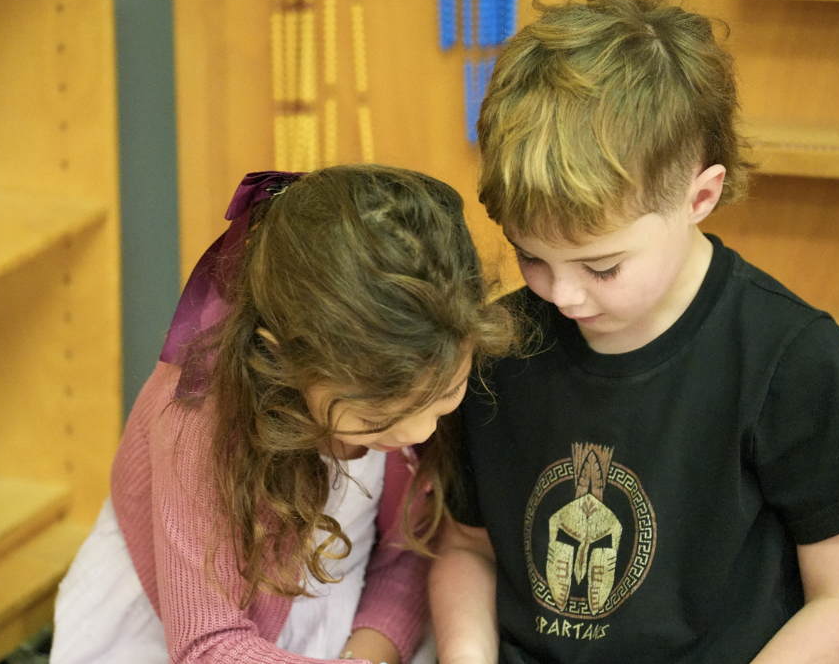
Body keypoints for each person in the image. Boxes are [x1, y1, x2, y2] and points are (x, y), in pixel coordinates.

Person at [429, 0, 839, 663]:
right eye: (531, 256)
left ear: (699, 198)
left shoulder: (790, 356)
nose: (561, 293)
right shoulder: (498, 347)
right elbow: (468, 546)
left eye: (603, 265)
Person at [49, 165, 517, 664]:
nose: (420, 430)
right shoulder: (196, 417)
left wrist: (369, 652)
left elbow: (405, 552)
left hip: (336, 623)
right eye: (377, 420)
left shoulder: (420, 358)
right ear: (281, 360)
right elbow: (208, 643)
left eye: (446, 396)